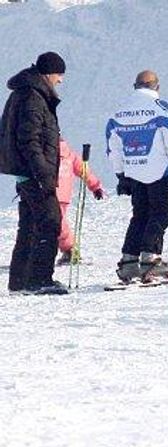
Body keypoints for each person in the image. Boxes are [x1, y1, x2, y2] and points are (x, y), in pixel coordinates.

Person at [105, 70, 168, 283]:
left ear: (135, 86)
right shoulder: (159, 109)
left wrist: (121, 174)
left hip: (133, 171)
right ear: (156, 87)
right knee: (160, 214)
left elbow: (113, 145)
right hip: (157, 170)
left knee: (139, 215)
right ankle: (151, 258)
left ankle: (129, 260)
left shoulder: (120, 112)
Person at [0, 52, 66, 294]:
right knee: (50, 222)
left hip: (26, 173)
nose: (60, 80)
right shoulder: (33, 97)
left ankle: (19, 281)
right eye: (59, 75)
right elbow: (29, 140)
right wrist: (43, 173)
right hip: (34, 173)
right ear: (49, 74)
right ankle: (40, 279)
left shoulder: (26, 92)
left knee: (29, 225)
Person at [54, 137, 105, 266]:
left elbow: (83, 169)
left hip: (53, 194)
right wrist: (95, 186)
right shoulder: (69, 154)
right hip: (61, 195)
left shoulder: (50, 154)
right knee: (57, 224)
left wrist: (96, 186)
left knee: (59, 224)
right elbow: (84, 170)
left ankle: (70, 250)